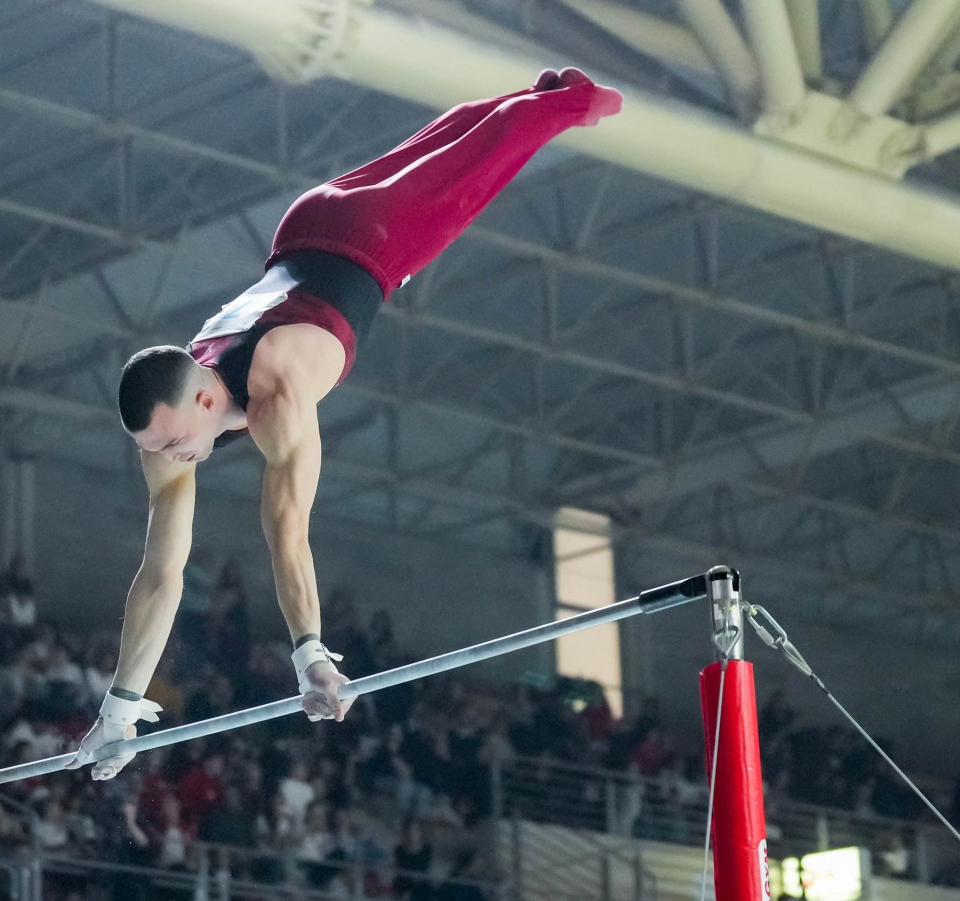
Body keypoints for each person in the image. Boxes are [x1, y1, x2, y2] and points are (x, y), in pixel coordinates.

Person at [68, 68, 623, 780]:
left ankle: (569, 100)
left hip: (372, 243)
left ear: (204, 401)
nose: (170, 457)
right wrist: (118, 709)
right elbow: (160, 572)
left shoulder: (275, 392)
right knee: (438, 145)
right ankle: (539, 89)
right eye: (156, 448)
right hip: (301, 230)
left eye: (172, 443)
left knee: (477, 169)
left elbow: (286, 533)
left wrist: (311, 655)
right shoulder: (172, 423)